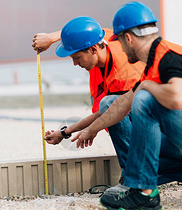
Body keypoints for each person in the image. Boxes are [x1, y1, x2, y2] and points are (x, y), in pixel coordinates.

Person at [70, 2, 182, 210]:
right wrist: (90, 129)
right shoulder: (153, 64)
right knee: (136, 132)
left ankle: (144, 193)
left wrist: (147, 87)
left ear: (129, 38)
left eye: (121, 43)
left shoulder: (169, 58)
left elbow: (178, 98)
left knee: (145, 99)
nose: (121, 50)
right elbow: (122, 105)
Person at [35, 17, 145, 191]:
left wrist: (76, 131)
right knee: (108, 104)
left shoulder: (123, 73)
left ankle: (136, 179)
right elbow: (86, 27)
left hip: (163, 122)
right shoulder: (103, 41)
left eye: (77, 57)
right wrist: (51, 38)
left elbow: (107, 113)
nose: (75, 63)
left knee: (109, 104)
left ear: (93, 49)